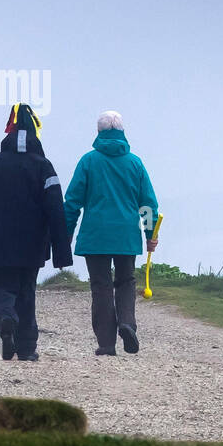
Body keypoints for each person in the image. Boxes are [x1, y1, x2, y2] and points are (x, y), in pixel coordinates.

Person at [0, 103, 73, 361]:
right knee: (26, 294)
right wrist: (61, 253)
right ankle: (25, 349)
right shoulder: (44, 167)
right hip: (33, 246)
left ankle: (5, 319)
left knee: (3, 290)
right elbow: (56, 209)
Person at [63, 110, 159, 356]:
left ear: (98, 133)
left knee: (101, 286)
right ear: (123, 133)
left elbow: (72, 201)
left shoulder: (88, 161)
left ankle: (106, 343)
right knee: (126, 281)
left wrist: (65, 233)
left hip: (95, 235)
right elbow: (148, 203)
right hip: (126, 235)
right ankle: (127, 323)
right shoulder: (135, 163)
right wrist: (150, 234)